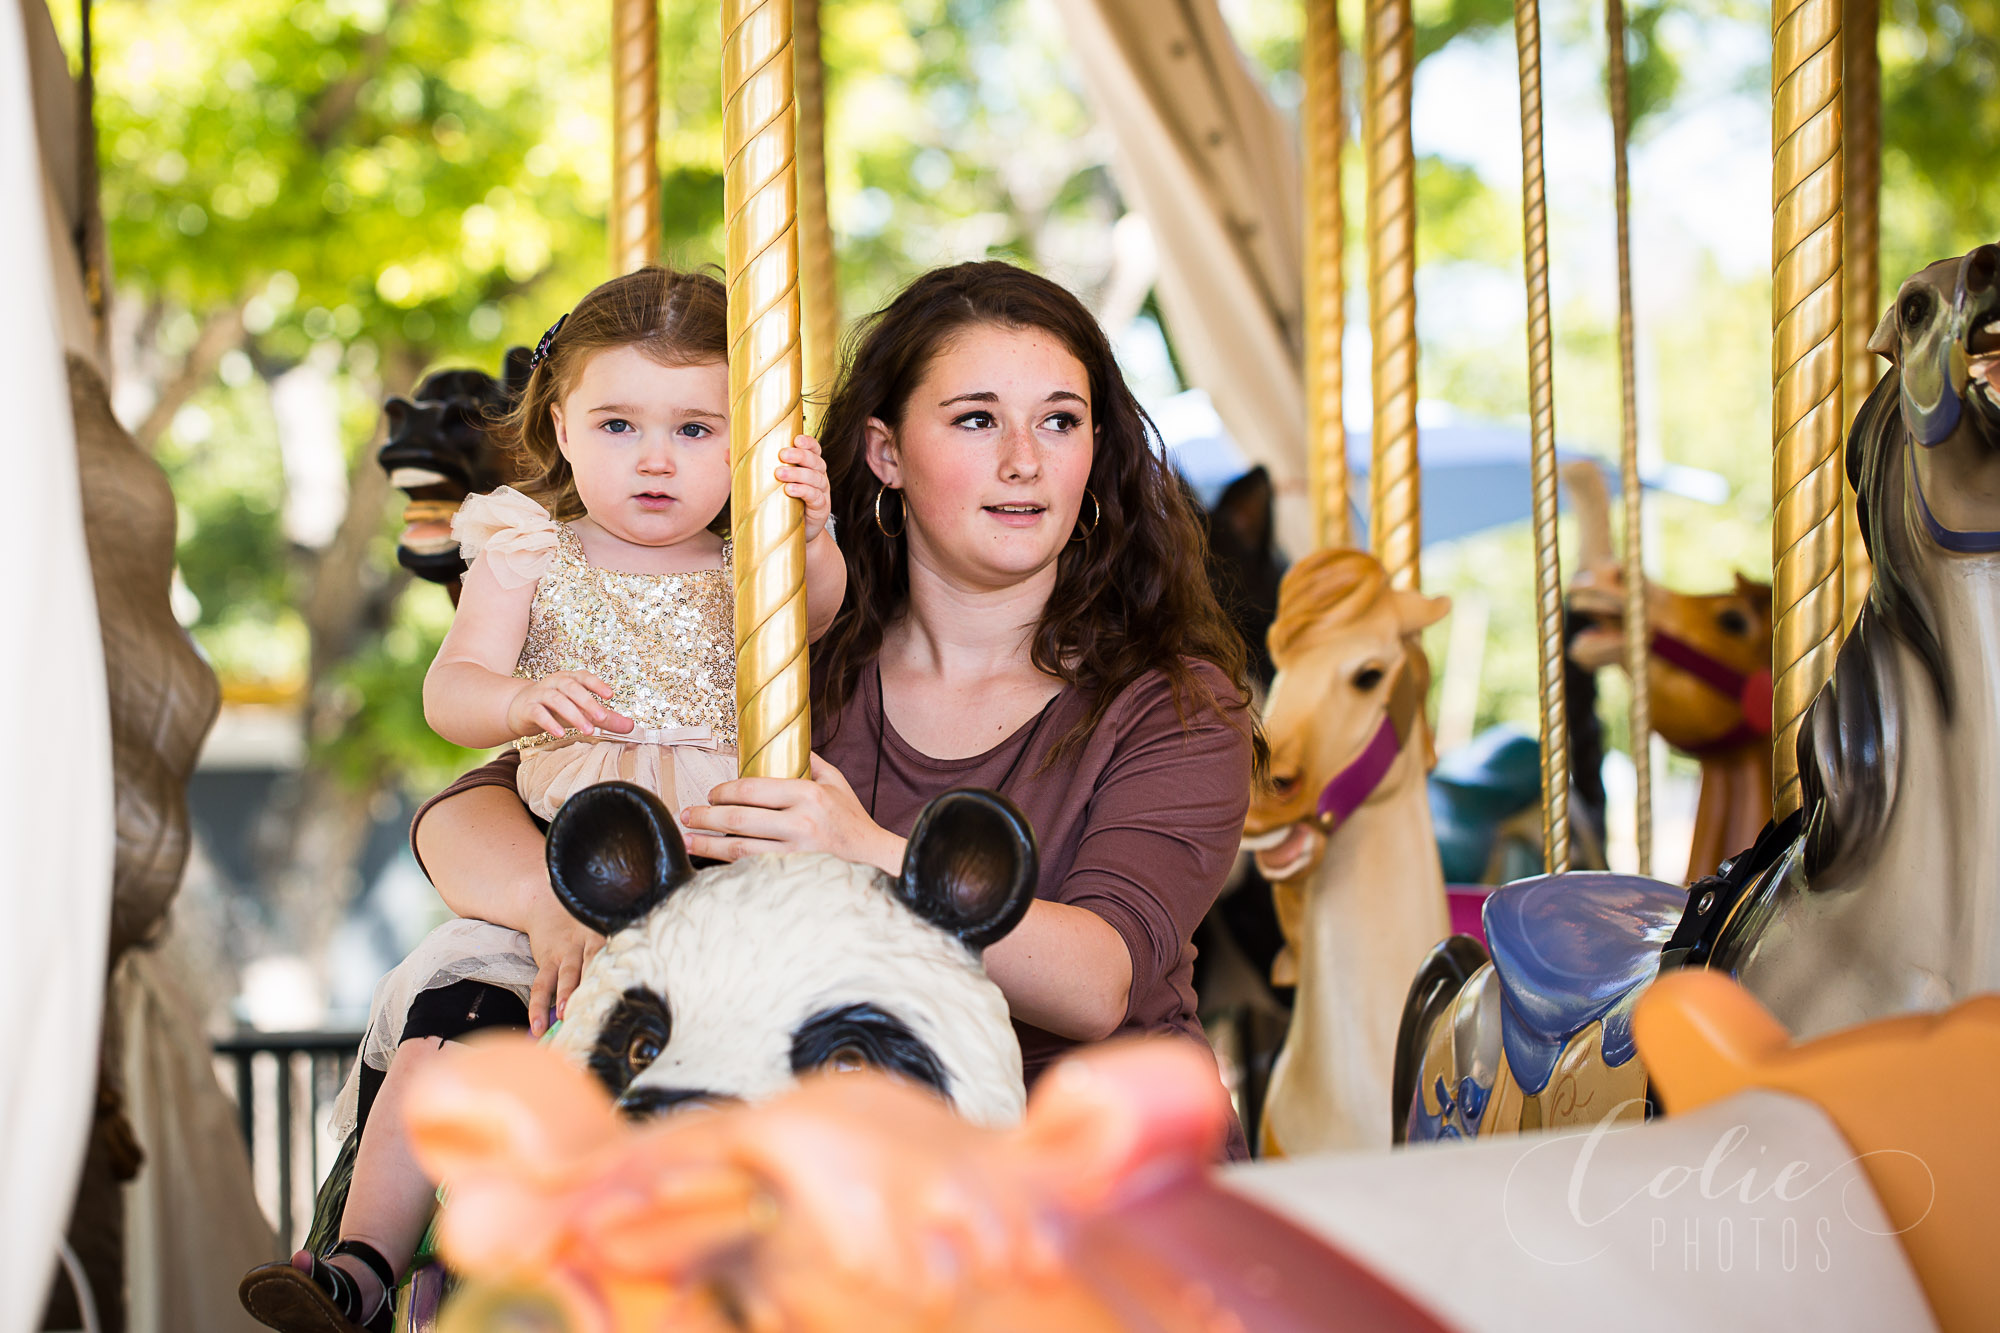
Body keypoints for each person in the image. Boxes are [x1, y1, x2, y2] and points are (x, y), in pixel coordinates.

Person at [411, 260, 1265, 1159]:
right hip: (851, 1167)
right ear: (885, 453)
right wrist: (550, 900)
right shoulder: (786, 662)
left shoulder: (1169, 705)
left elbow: (1099, 984)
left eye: (1060, 420)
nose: (1024, 460)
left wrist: (860, 853)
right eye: (977, 419)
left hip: (1098, 1165)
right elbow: (471, 808)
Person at [238, 265, 843, 1333]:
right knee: (445, 1030)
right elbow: (449, 691)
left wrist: (814, 531)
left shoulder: (752, 566)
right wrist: (519, 696)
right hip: (565, 866)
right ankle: (358, 1262)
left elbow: (815, 623)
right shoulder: (527, 549)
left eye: (699, 430)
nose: (656, 458)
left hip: (721, 878)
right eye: (619, 423)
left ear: (744, 437)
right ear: (561, 426)